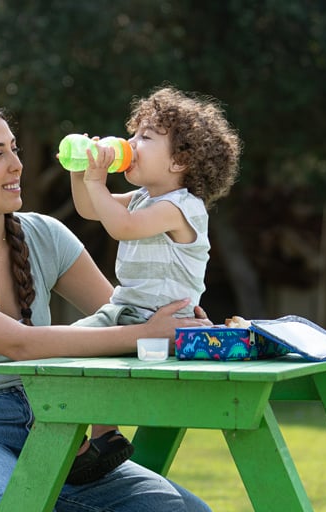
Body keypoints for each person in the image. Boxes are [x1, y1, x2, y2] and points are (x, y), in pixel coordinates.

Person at [0, 99, 214, 512]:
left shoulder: (45, 235)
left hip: (59, 429)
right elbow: (20, 345)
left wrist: (171, 320)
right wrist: (147, 333)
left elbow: (121, 314)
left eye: (14, 149)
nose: (16, 164)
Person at [67, 85, 241, 485]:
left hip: (163, 320)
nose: (130, 144)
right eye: (133, 134)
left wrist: (96, 181)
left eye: (145, 137)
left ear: (180, 159)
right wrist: (83, 173)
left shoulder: (182, 208)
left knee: (68, 349)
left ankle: (88, 443)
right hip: (127, 311)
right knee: (70, 349)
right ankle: (102, 437)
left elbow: (122, 228)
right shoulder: (145, 197)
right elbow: (91, 209)